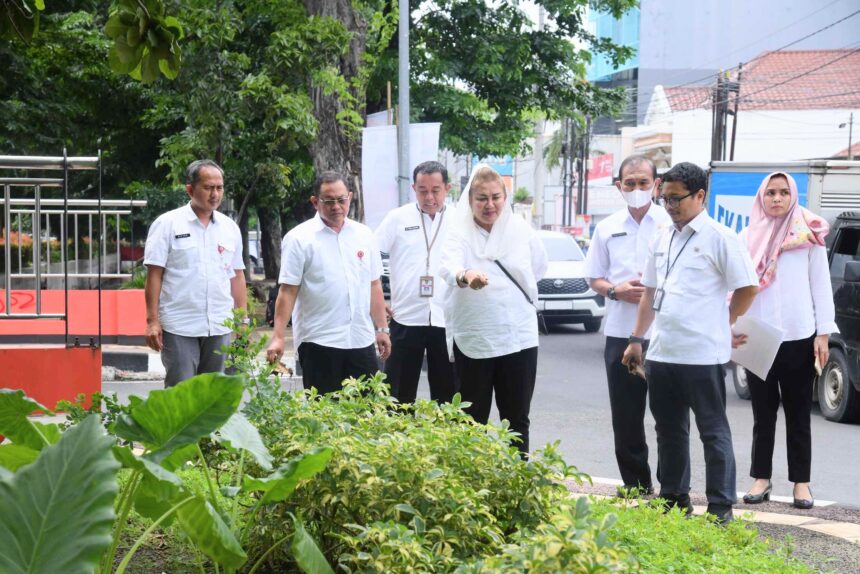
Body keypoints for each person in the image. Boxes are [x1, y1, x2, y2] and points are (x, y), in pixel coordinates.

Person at [622, 162, 759, 524]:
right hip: (663, 351)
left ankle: (719, 507)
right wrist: (637, 338)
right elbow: (650, 292)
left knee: (712, 431)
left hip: (704, 354)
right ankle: (674, 498)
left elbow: (747, 288)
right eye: (664, 198)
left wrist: (725, 320)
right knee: (668, 429)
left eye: (676, 198)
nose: (669, 206)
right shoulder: (662, 237)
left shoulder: (720, 237)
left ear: (700, 195)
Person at [739, 172, 836, 510]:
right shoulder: (746, 237)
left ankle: (802, 484)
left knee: (798, 414)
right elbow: (734, 289)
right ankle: (761, 478)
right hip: (758, 336)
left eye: (783, 192)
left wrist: (823, 332)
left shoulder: (808, 234)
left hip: (799, 335)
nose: (777, 199)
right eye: (770, 193)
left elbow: (821, 285)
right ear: (761, 197)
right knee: (762, 414)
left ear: (792, 195)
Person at [439, 164, 547, 455]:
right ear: (470, 200)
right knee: (472, 419)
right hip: (475, 338)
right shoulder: (458, 233)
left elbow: (538, 268)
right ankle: (474, 484)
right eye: (482, 198)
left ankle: (517, 483)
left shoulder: (521, 230)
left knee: (517, 418)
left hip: (519, 337)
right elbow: (448, 267)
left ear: (505, 196)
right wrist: (466, 275)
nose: (490, 205)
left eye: (496, 197)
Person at [584, 155, 671, 494]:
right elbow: (593, 277)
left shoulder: (670, 224)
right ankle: (636, 484)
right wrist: (615, 291)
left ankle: (671, 486)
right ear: (619, 186)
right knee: (626, 415)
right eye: (630, 183)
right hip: (620, 333)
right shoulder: (607, 228)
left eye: (643, 183)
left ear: (656, 185)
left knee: (668, 416)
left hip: (663, 334)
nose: (637, 189)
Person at [265, 171, 391, 393]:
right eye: (329, 201)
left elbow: (373, 284)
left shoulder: (364, 235)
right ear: (315, 202)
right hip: (319, 341)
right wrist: (278, 337)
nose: (337, 206)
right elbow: (287, 292)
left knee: (368, 414)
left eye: (342, 200)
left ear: (350, 197)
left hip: (360, 339)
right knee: (324, 415)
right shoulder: (299, 239)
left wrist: (382, 328)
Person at [143, 159, 246, 387]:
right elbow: (154, 274)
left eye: (219, 188)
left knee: (212, 396)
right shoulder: (168, 224)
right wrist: (152, 322)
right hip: (180, 325)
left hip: (220, 323)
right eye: (208, 187)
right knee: (181, 392)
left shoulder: (230, 228)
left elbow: (237, 276)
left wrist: (243, 320)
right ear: (190, 189)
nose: (215, 194)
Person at [374, 161, 457, 403]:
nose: (429, 197)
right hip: (405, 317)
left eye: (435, 190)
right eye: (422, 190)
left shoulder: (460, 220)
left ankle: (445, 438)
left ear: (447, 188)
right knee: (397, 392)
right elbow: (370, 256)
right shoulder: (397, 218)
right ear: (413, 188)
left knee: (448, 393)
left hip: (446, 317)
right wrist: (378, 301)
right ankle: (397, 438)